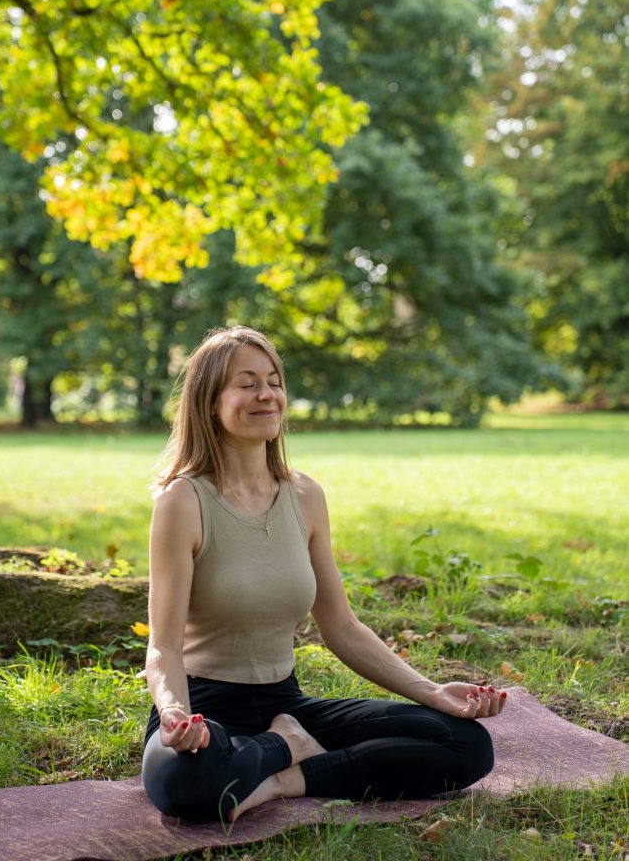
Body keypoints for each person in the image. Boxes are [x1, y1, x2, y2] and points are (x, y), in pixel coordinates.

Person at [142, 326, 504, 822]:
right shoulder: (182, 501)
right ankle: (285, 745)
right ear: (210, 401)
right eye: (247, 384)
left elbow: (342, 627)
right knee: (181, 785)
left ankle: (286, 776)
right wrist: (174, 714)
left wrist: (432, 691)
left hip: (283, 700)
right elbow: (163, 648)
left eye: (273, 381)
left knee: (465, 744)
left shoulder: (305, 496)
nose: (266, 394)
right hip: (204, 708)